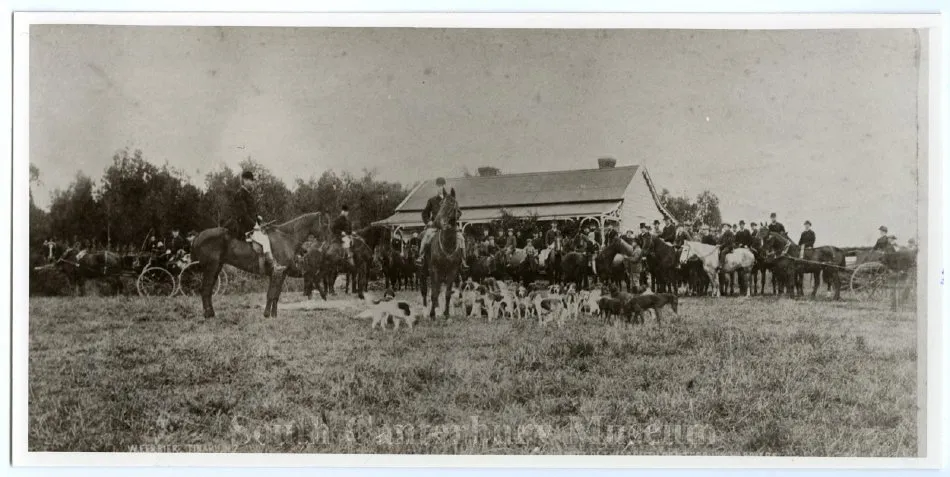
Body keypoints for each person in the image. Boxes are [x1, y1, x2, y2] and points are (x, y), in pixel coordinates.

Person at [232, 170, 285, 274]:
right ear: (245, 180)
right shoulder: (240, 194)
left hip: (252, 224)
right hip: (245, 227)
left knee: (269, 234)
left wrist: (258, 217)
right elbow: (243, 215)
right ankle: (273, 265)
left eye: (252, 181)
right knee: (265, 240)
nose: (252, 183)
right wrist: (254, 225)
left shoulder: (247, 194)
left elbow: (250, 212)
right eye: (251, 181)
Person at [415, 177, 467, 269]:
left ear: (444, 186)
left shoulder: (450, 199)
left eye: (441, 186)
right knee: (427, 235)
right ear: (436, 187)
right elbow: (424, 213)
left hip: (449, 226)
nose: (439, 188)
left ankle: (463, 261)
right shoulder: (432, 200)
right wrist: (428, 222)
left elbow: (459, 212)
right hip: (436, 226)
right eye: (437, 186)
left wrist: (452, 217)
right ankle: (421, 256)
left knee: (461, 238)